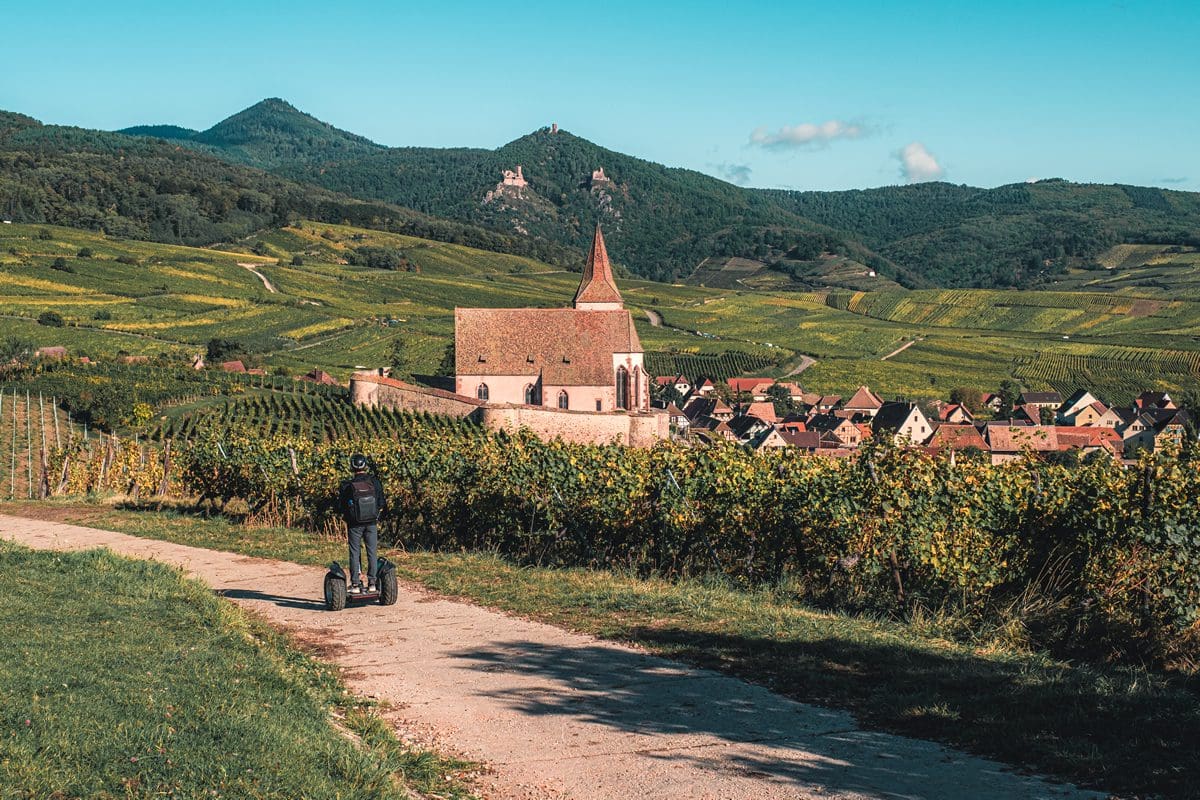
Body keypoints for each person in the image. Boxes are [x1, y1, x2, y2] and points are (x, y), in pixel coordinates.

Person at [337, 453, 387, 594]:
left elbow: (340, 507)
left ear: (352, 467)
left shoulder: (347, 485)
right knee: (372, 552)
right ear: (365, 465)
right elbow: (381, 503)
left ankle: (355, 584)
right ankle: (372, 583)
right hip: (371, 522)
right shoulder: (375, 482)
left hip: (354, 524)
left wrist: (347, 516)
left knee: (355, 552)